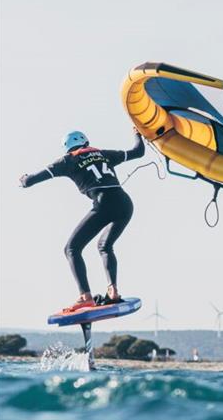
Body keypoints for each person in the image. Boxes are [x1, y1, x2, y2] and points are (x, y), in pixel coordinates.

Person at [20, 129, 145, 312]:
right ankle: (113, 292)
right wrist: (138, 133)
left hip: (104, 203)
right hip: (125, 204)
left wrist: (23, 179)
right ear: (86, 142)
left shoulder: (67, 160)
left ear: (67, 148)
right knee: (104, 246)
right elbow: (138, 152)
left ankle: (85, 296)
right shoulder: (103, 154)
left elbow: (31, 181)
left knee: (71, 248)